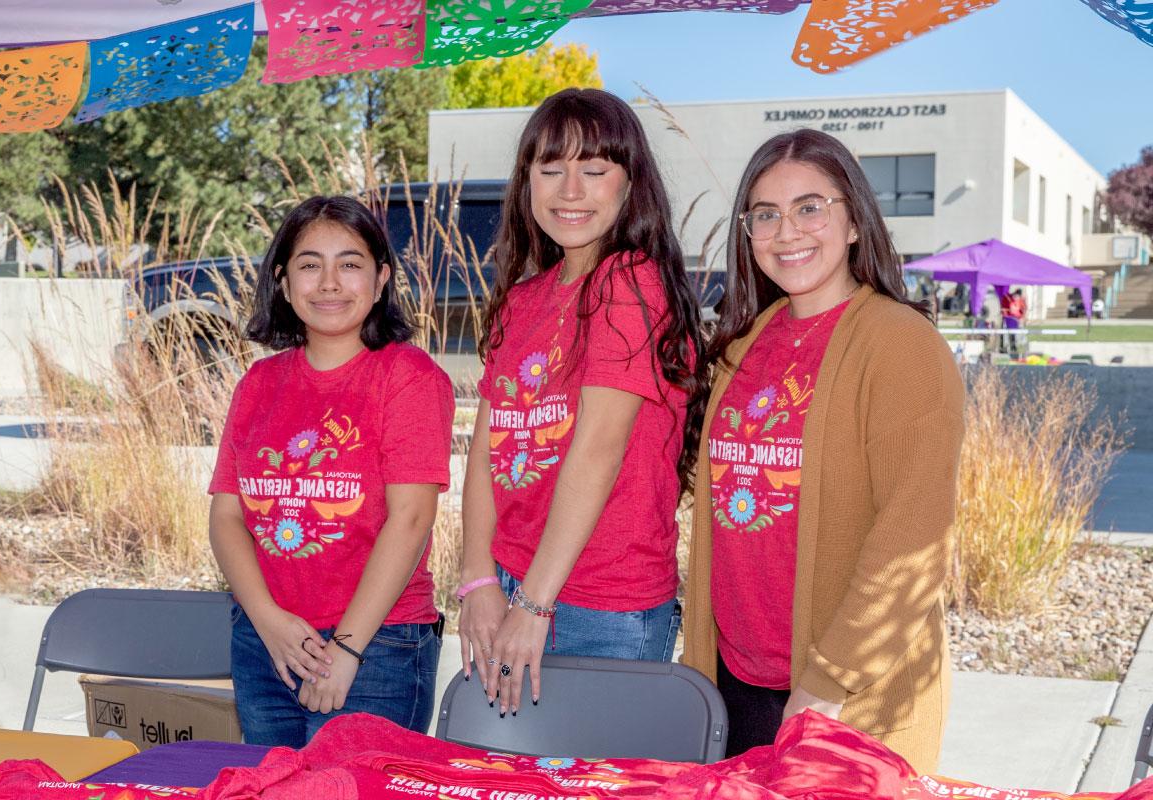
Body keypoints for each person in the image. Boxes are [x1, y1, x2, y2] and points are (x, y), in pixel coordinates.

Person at [682, 129, 965, 772]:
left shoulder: (899, 344)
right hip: (734, 682)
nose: (788, 231)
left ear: (856, 222)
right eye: (766, 214)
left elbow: (913, 534)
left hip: (842, 697)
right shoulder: (744, 344)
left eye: (811, 206)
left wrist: (827, 684)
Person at [458, 88, 708, 715]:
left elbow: (596, 451)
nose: (570, 189)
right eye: (550, 169)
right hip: (513, 587)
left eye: (594, 170)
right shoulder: (523, 299)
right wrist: (479, 582)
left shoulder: (628, 282)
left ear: (631, 183)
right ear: (526, 182)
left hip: (601, 601)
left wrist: (534, 605)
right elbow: (486, 454)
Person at [208, 195, 454, 747]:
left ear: (381, 277)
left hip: (377, 648)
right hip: (267, 642)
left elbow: (411, 520)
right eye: (308, 264)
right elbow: (226, 518)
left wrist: (345, 650)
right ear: (283, 279)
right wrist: (268, 621)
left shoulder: (407, 377)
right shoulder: (258, 385)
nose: (329, 283)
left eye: (350, 264)